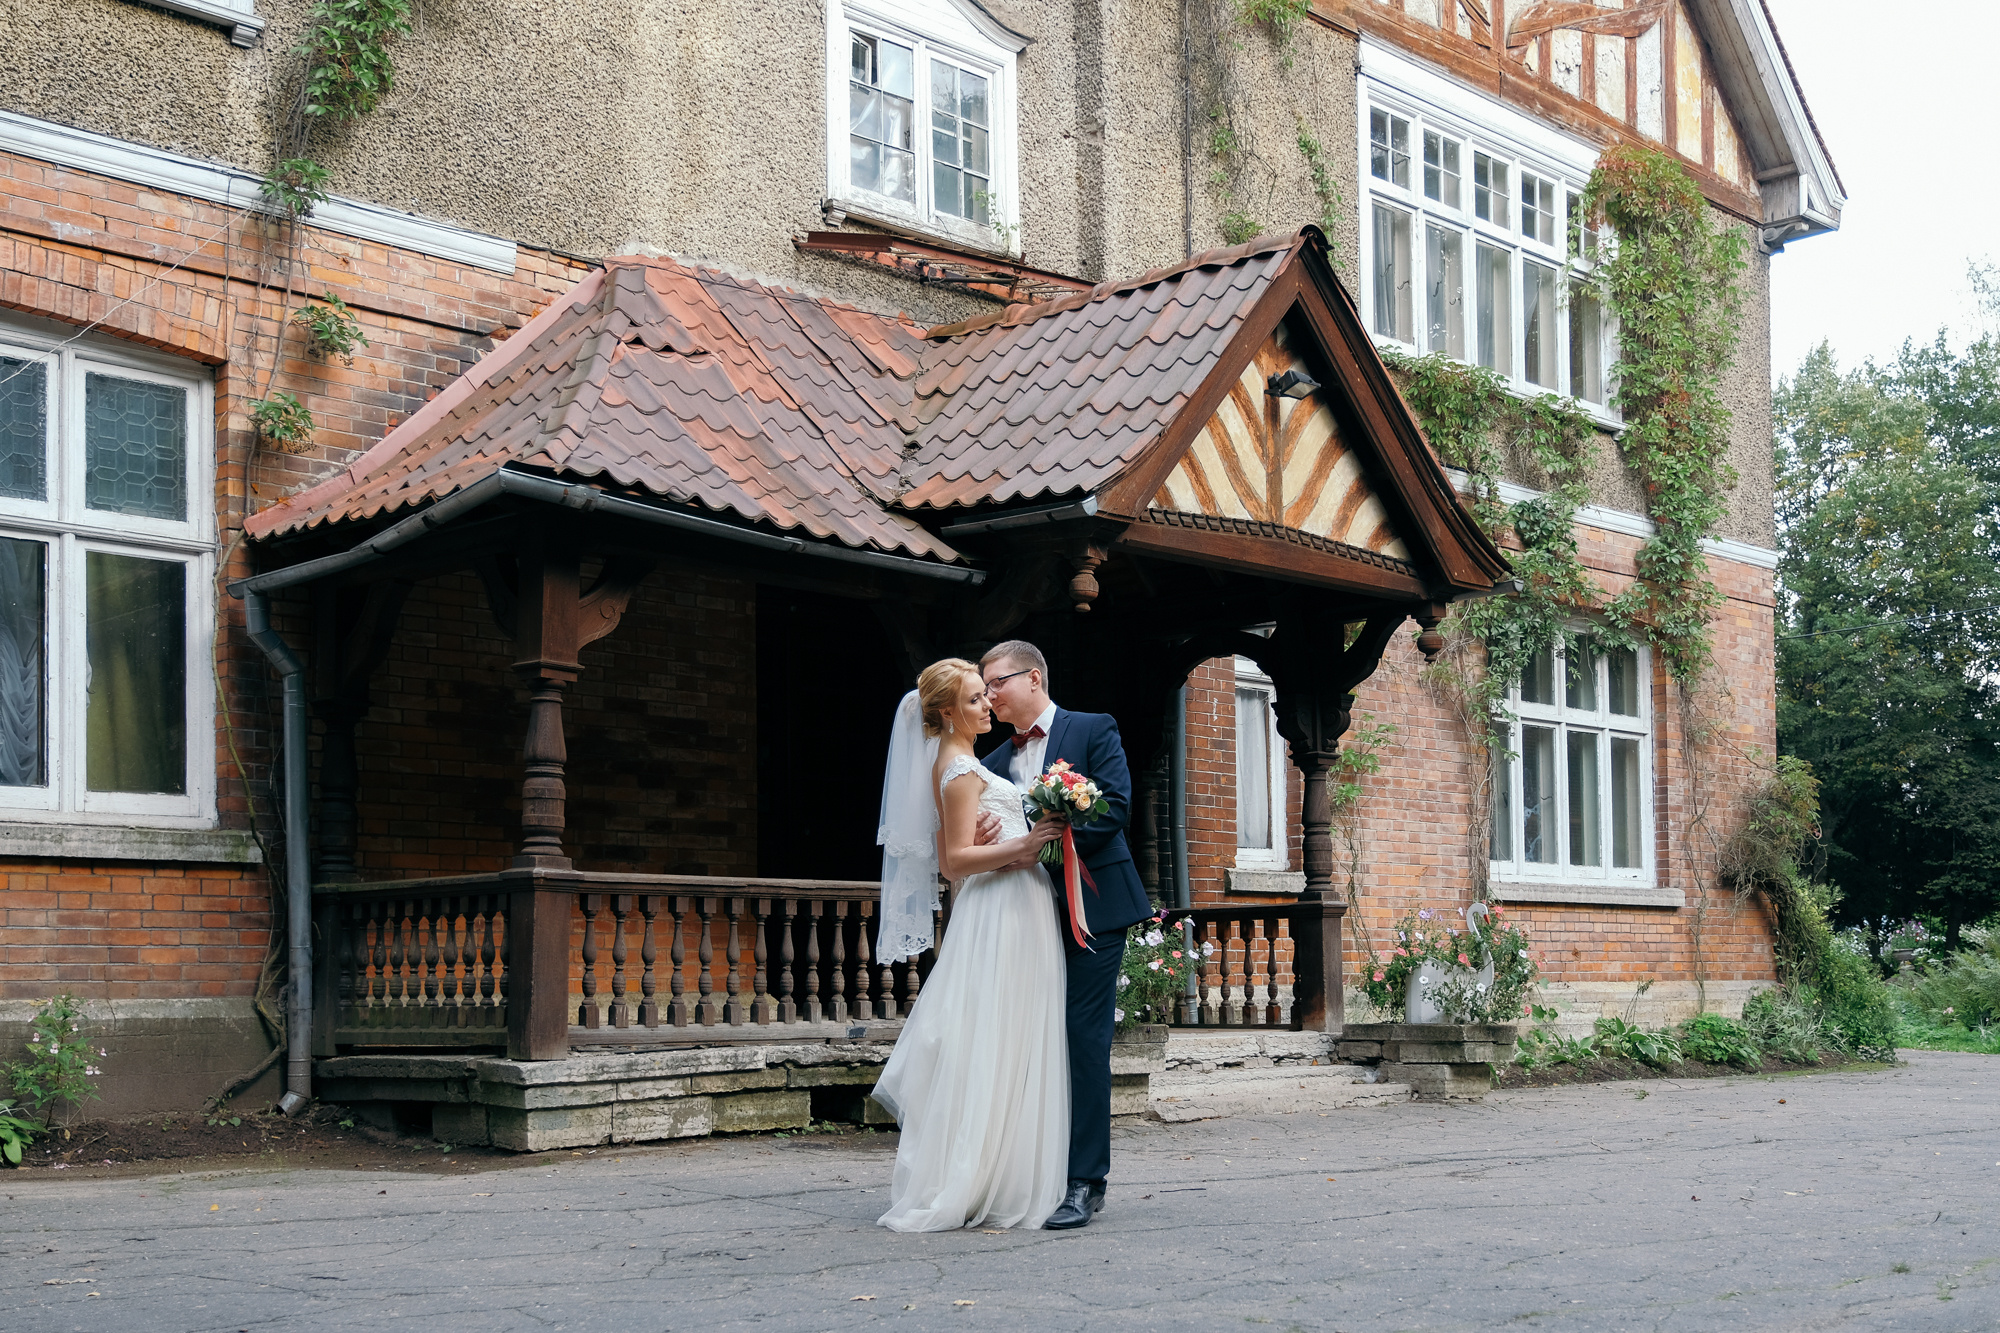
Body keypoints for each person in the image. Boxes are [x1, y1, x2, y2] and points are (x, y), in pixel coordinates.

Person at [870, 658, 1069, 1232]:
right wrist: (1024, 844)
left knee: (1007, 1033)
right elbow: (955, 861)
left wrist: (1013, 841)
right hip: (1001, 907)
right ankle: (976, 1175)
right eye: (977, 698)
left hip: (1016, 901)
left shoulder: (967, 763)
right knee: (994, 1033)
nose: (988, 705)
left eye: (987, 695)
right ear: (948, 712)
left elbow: (961, 847)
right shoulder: (957, 768)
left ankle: (1000, 1170)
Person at [978, 640, 1155, 1230]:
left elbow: (1115, 808)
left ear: (1032, 678)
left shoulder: (1092, 728)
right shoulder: (995, 762)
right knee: (1027, 1039)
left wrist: (1050, 834)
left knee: (1082, 1038)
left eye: (995, 681)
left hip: (1095, 910)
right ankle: (1031, 1171)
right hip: (1021, 913)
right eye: (983, 686)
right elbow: (994, 835)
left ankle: (1083, 1181)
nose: (988, 693)